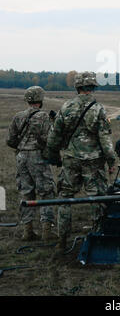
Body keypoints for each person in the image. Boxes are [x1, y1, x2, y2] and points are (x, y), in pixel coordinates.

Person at [46, 71, 116, 253]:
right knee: (97, 198)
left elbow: (54, 135)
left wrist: (52, 153)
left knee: (65, 198)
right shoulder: (98, 108)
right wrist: (111, 161)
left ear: (77, 87)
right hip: (93, 161)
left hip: (70, 159)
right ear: (92, 87)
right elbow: (105, 139)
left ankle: (62, 241)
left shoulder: (66, 106)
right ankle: (97, 237)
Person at [6, 86, 55, 241]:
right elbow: (49, 139)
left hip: (21, 156)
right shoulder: (43, 116)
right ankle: (47, 230)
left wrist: (23, 148)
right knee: (46, 191)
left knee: (26, 191)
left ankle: (28, 230)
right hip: (37, 156)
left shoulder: (18, 116)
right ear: (40, 100)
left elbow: (10, 140)